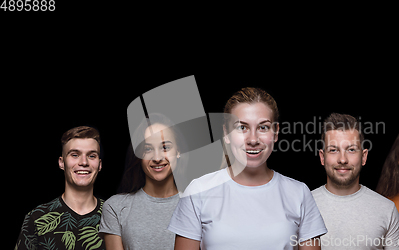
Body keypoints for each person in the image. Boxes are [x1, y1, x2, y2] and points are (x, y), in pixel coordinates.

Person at [168, 87, 327, 250]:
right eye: (241, 127)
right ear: (226, 133)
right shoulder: (198, 191)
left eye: (263, 127)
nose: (252, 139)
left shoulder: (299, 193)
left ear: (276, 132)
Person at [311, 113, 399, 249]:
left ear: (363, 156)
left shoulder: (387, 210)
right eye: (333, 150)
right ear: (322, 157)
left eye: (351, 150)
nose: (342, 159)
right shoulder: (302, 206)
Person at [99, 113, 182, 249]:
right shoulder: (116, 207)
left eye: (165, 147)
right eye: (148, 149)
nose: (157, 157)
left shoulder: (196, 204)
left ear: (178, 151)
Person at [15, 126, 105, 250]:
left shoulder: (114, 216)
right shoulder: (36, 217)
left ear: (99, 165)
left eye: (91, 156)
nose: (84, 162)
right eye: (75, 155)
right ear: (61, 163)